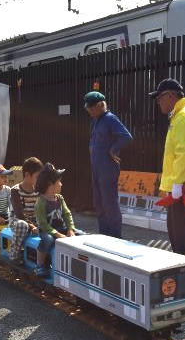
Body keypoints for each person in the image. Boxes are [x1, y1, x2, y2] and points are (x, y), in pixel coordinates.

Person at [149, 78, 185, 258]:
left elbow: (184, 153)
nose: (158, 102)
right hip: (181, 186)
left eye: (159, 98)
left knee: (180, 233)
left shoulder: (184, 117)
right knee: (176, 231)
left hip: (184, 187)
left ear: (170, 96)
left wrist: (177, 185)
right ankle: (182, 269)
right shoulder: (180, 116)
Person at [84, 91, 133, 239]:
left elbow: (126, 137)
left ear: (101, 105)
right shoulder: (96, 120)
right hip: (96, 167)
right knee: (98, 203)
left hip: (107, 168)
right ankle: (104, 235)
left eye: (92, 109)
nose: (90, 112)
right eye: (88, 109)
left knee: (109, 202)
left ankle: (115, 237)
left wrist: (113, 149)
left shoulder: (110, 119)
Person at [34, 163, 83, 277]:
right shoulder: (40, 202)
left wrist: (70, 229)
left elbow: (67, 214)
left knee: (80, 234)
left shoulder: (60, 198)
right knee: (48, 240)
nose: (61, 184)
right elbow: (43, 224)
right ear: (50, 184)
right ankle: (40, 264)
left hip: (60, 227)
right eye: (59, 182)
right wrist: (57, 234)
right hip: (47, 230)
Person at [8, 156, 43, 264]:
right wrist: (32, 226)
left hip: (34, 220)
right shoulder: (15, 190)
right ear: (27, 174)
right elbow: (19, 213)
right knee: (22, 225)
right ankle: (13, 255)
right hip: (17, 220)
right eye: (37, 177)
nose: (39, 180)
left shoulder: (38, 190)